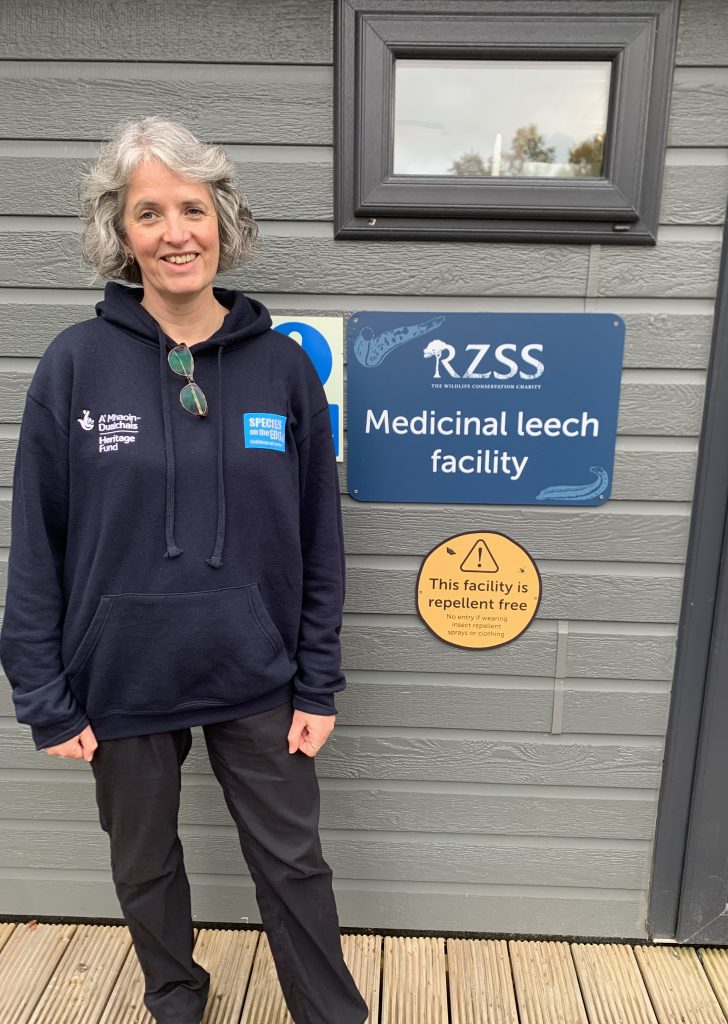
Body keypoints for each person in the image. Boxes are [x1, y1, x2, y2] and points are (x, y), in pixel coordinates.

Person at [0, 117, 368, 1024]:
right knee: (144, 864)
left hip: (256, 672)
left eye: (193, 209)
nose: (176, 233)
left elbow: (319, 540)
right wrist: (43, 693)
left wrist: (317, 683)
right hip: (119, 673)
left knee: (293, 863)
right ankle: (175, 999)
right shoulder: (75, 365)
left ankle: (331, 1012)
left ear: (223, 220)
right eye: (150, 213)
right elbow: (36, 544)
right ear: (120, 235)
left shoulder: (281, 369)